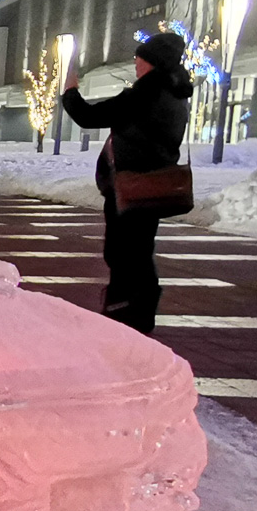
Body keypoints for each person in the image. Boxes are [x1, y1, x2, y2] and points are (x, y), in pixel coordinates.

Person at [59, 31, 192, 334]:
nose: (135, 63)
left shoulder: (149, 92)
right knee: (138, 250)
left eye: (139, 58)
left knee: (124, 252)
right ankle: (136, 310)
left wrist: (70, 92)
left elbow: (89, 116)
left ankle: (126, 311)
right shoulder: (174, 92)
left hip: (133, 185)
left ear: (152, 62)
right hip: (151, 185)